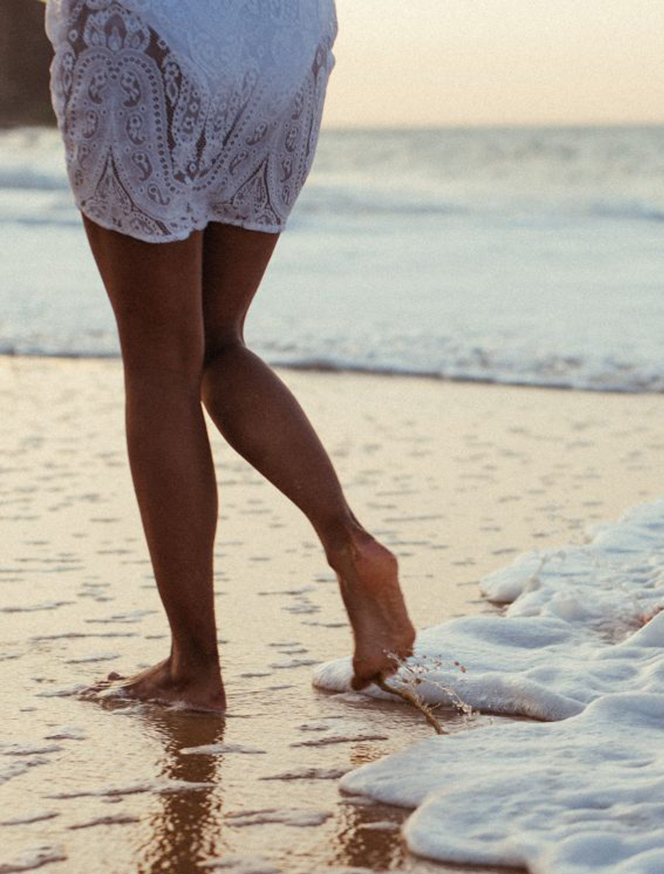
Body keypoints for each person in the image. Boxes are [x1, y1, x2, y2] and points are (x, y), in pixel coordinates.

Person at [45, 0, 415, 713]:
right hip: (284, 42)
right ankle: (351, 546)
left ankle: (195, 667)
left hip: (148, 33)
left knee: (161, 367)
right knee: (219, 341)